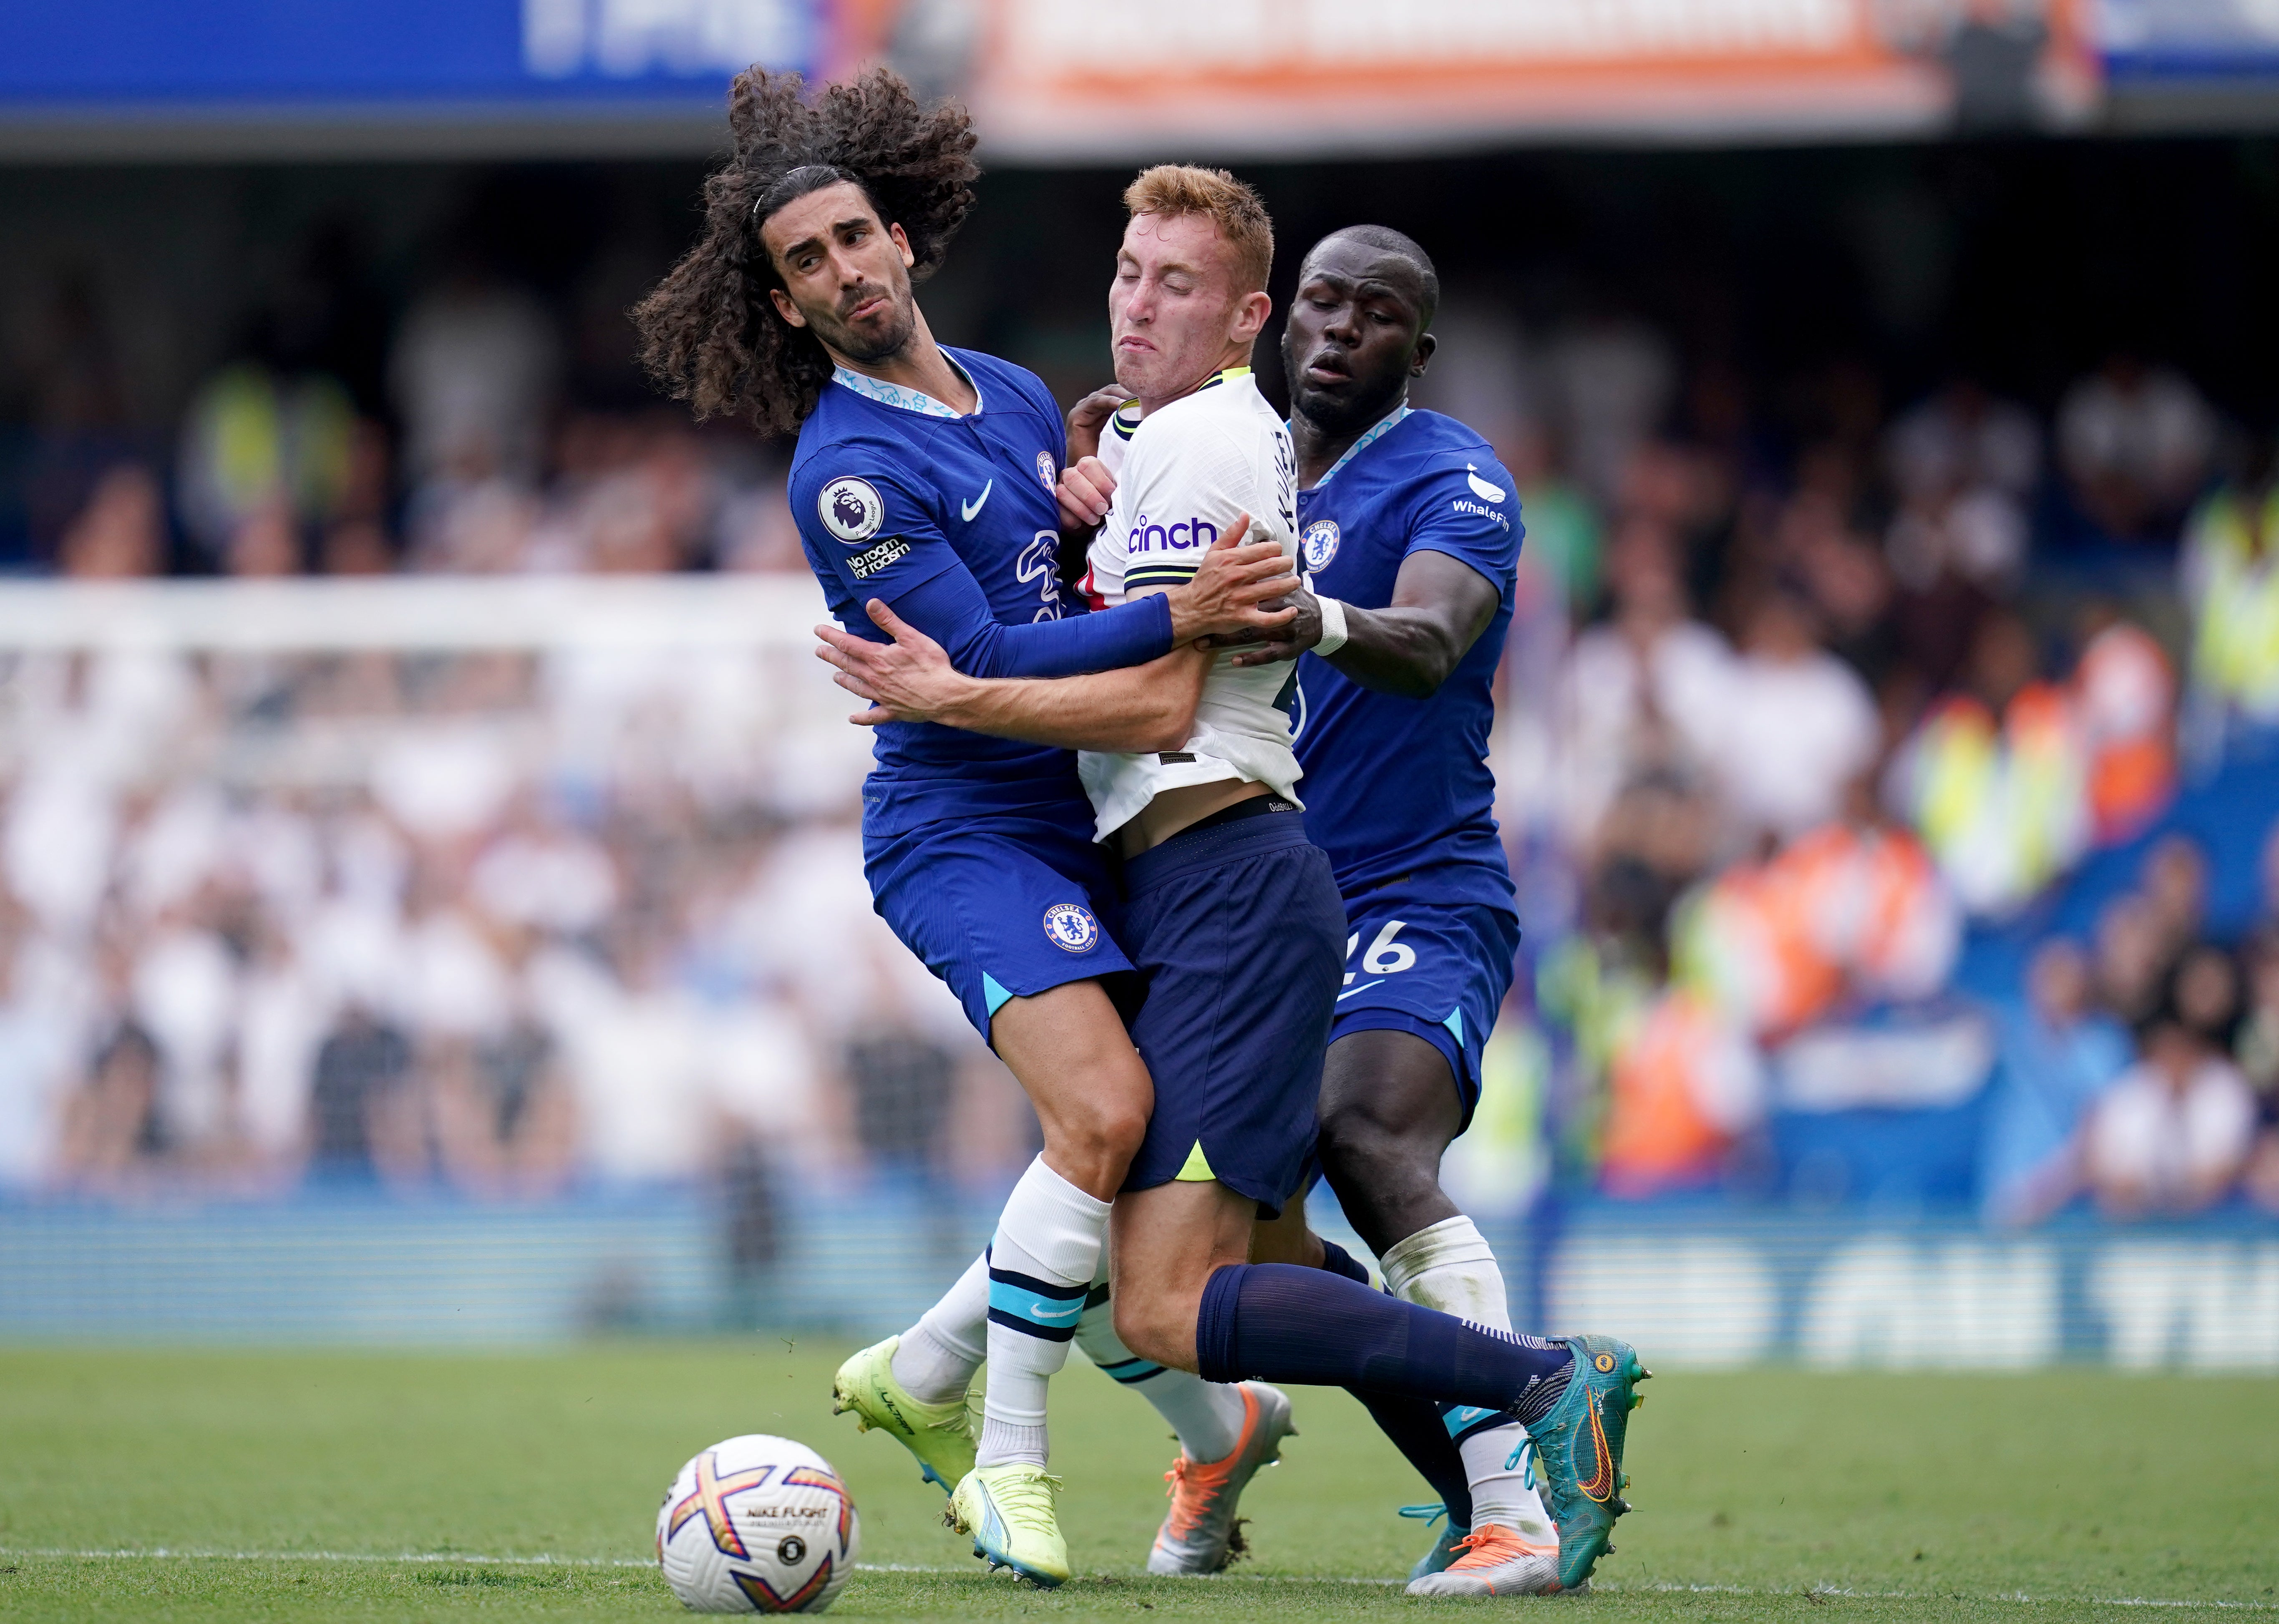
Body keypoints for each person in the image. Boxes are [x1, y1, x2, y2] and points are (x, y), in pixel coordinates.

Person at [818, 180, 1647, 1596]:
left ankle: (1526, 1424)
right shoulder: (1192, 441)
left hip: (1346, 881)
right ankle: (1008, 1384)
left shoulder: (1419, 471)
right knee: (1167, 1239)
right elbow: (1140, 629)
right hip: (1232, 876)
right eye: (1128, 275)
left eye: (1374, 314)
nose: (1139, 304)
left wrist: (952, 690)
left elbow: (1203, 692)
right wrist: (1091, 508)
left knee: (1298, 1184)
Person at [630, 68, 1303, 1581]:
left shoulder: (1003, 392)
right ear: (790, 310)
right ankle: (1006, 1465)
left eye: (856, 237)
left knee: (1132, 1183)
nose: (845, 271)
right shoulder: (846, 474)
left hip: (1086, 823)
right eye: (807, 264)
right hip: (963, 838)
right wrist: (1159, 612)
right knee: (1107, 1116)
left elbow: (1031, 597)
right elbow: (972, 671)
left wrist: (1089, 525)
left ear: (904, 239)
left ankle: (933, 1377)